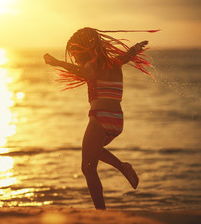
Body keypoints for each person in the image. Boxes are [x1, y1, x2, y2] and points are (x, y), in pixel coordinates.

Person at [43, 27, 158, 209]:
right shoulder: (115, 62)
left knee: (88, 168)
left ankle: (101, 213)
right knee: (95, 153)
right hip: (117, 121)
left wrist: (58, 63)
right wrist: (135, 49)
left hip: (100, 118)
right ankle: (123, 167)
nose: (76, 59)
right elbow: (128, 55)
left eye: (75, 54)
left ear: (84, 49)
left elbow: (87, 73)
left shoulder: (92, 64)